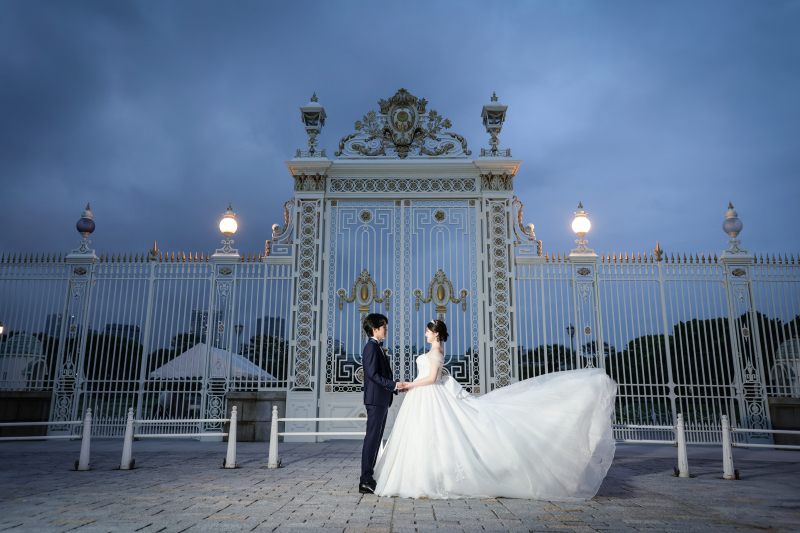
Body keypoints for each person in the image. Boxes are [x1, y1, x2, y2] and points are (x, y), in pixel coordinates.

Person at [373, 319, 618, 501]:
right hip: (421, 398)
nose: (425, 333)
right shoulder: (433, 350)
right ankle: (424, 473)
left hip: (427, 393)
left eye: (427, 330)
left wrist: (409, 384)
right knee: (425, 437)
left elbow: (433, 378)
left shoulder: (436, 351)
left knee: (437, 435)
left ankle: (432, 477)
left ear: (435, 333)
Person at [358, 313, 409, 494]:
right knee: (372, 439)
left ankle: (369, 477)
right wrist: (394, 384)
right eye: (384, 326)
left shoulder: (377, 347)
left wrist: (396, 389)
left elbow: (381, 375)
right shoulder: (371, 348)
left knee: (376, 438)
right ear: (375, 329)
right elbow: (373, 375)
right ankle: (365, 480)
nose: (386, 329)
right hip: (375, 400)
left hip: (381, 399)